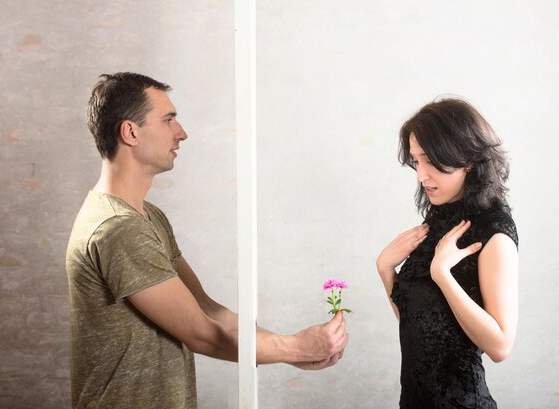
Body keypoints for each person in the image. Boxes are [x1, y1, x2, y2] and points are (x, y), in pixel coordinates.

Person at [65, 72, 348, 409]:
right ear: (130, 132)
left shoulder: (148, 217)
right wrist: (296, 348)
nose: (181, 132)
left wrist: (285, 346)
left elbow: (206, 307)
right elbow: (201, 333)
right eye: (168, 120)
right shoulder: (117, 229)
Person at [376, 98, 519, 408]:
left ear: (466, 159)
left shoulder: (494, 233)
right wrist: (386, 270)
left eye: (429, 161)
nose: (420, 175)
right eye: (416, 161)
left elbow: (501, 346)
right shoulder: (438, 221)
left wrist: (443, 277)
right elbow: (417, 321)